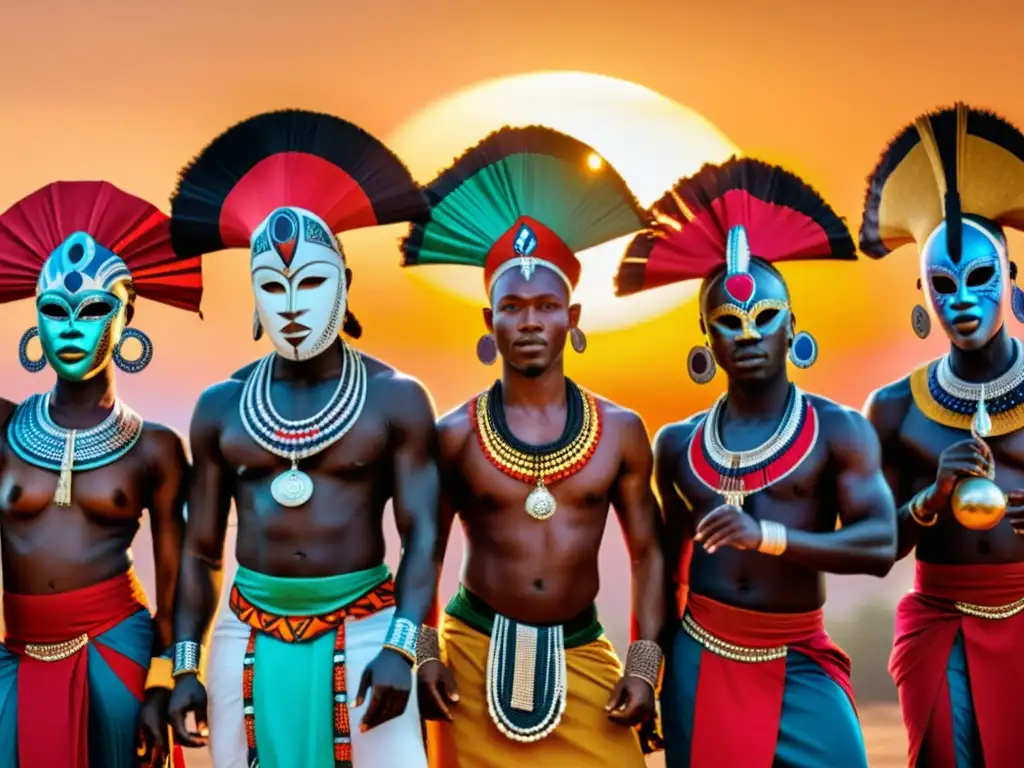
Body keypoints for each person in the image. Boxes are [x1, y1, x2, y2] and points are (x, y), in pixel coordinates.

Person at [164, 109, 438, 768]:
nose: (291, 303)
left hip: (370, 629)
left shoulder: (396, 398)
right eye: (273, 286)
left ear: (346, 287)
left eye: (312, 281)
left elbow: (423, 533)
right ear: (255, 302)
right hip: (245, 633)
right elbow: (200, 553)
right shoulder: (221, 408)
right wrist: (181, 669)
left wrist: (402, 646)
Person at [615, 157, 898, 768]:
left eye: (765, 317)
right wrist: (649, 673)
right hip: (699, 659)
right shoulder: (677, 445)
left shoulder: (839, 430)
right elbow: (664, 569)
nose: (748, 333)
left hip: (799, 652)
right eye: (728, 322)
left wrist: (766, 536)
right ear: (705, 337)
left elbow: (879, 546)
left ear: (793, 325)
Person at [400, 125, 665, 768]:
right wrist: (427, 653)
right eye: (511, 306)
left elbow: (649, 553)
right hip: (469, 651)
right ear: (488, 321)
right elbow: (424, 549)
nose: (528, 321)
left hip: (583, 650)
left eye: (546, 305)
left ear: (572, 320)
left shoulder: (622, 430)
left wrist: (645, 665)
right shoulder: (455, 434)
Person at [0, 181, 202, 767]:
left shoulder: (156, 449)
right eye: (53, 310)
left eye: (92, 310)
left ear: (126, 316)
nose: (69, 327)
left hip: (118, 649)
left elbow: (179, 580)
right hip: (17, 652)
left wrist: (164, 679)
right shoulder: (4, 429)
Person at [861, 103, 1024, 767]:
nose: (961, 299)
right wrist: (930, 498)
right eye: (942, 282)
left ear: (1012, 278)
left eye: (980, 277)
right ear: (922, 292)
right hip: (940, 622)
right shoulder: (895, 407)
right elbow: (872, 546)